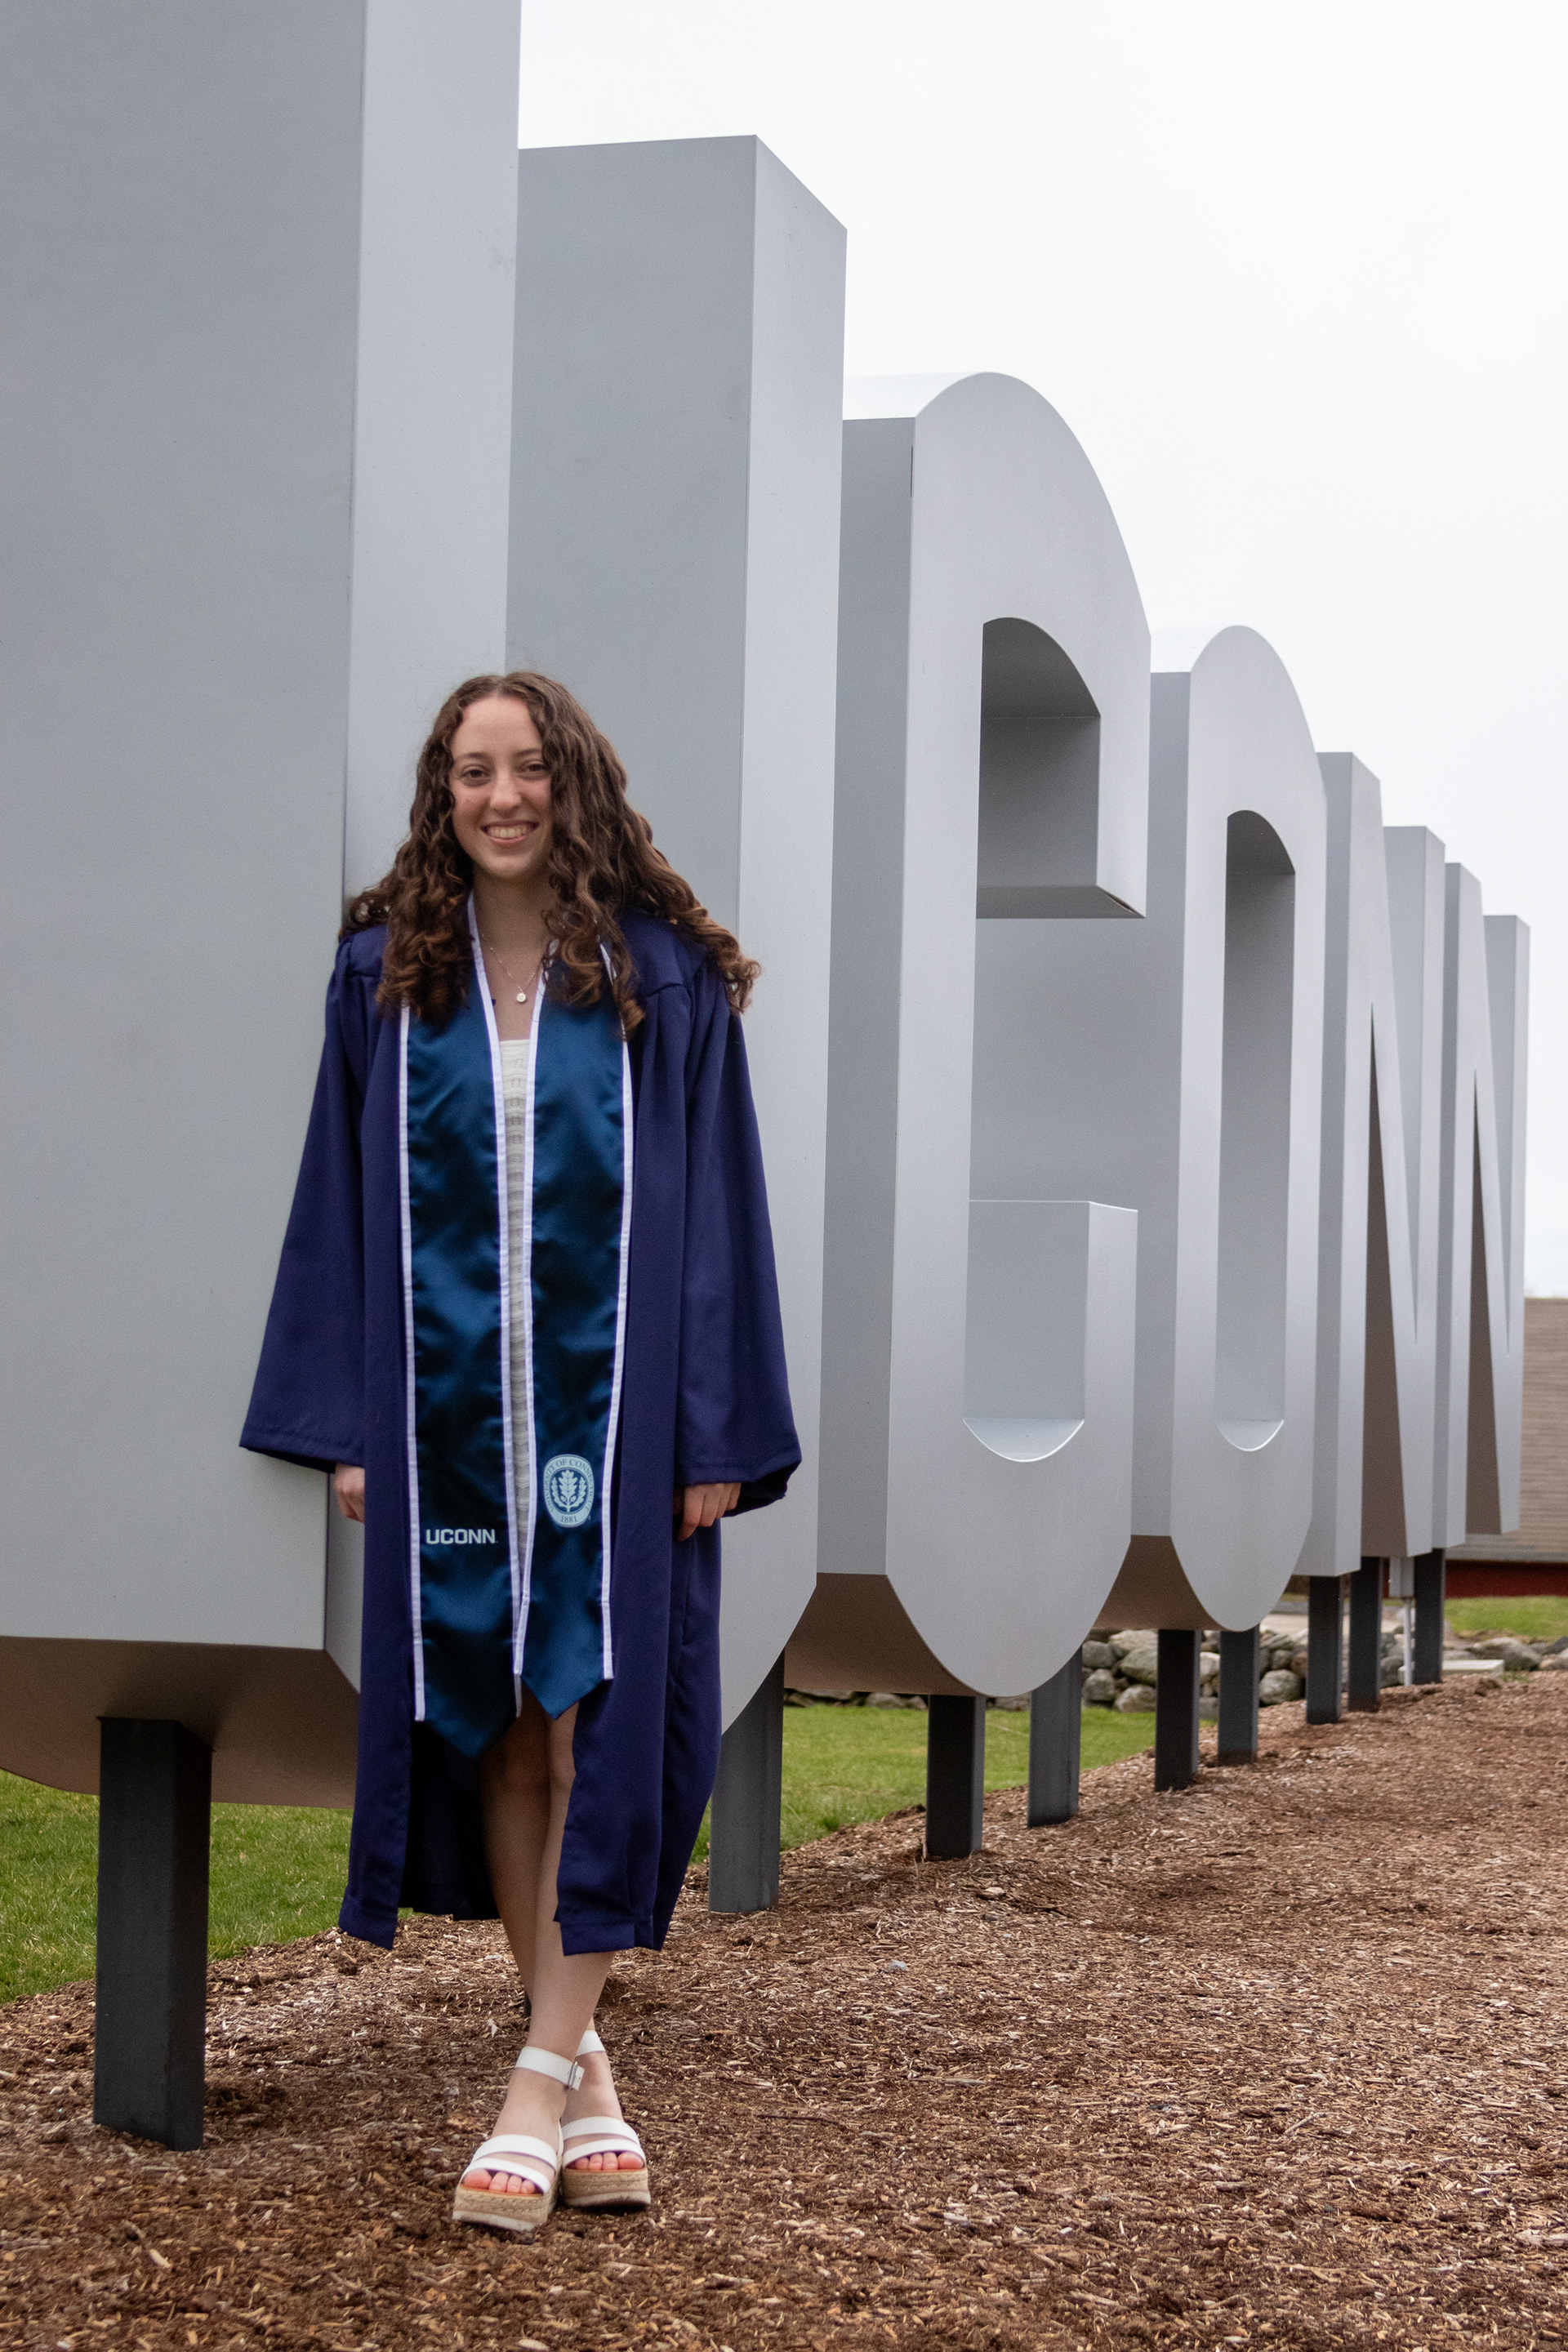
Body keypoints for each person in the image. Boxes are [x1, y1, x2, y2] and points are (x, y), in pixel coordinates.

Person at [242, 672, 799, 2234]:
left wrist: (711, 1433)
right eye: (473, 771)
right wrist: (352, 1422)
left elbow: (721, 1218)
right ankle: (581, 2075)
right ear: (444, 792)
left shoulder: (658, 976)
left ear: (577, 783)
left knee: (587, 1736)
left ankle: (533, 2089)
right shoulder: (384, 976)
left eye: (531, 767)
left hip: (617, 1428)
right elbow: (339, 1202)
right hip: (449, 1428)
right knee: (495, 1730)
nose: (503, 797)